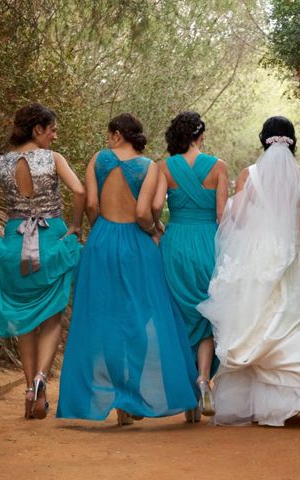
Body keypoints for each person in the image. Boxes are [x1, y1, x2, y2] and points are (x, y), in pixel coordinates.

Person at [197, 116, 300, 427]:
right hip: (296, 253)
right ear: (292, 141)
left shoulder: (250, 175)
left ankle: (257, 405)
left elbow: (237, 220)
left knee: (257, 321)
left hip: (259, 256)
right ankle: (297, 402)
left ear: (264, 140)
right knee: (296, 322)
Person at [56, 113, 198, 425]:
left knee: (105, 317)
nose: (108, 141)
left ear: (118, 134)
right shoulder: (149, 167)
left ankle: (119, 402)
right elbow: (143, 213)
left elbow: (91, 204)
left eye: (110, 135)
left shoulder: (99, 159)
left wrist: (101, 230)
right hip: (137, 246)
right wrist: (154, 230)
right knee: (141, 316)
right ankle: (133, 396)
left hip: (102, 240)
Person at [0, 103, 84, 420]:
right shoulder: (53, 160)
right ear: (37, 130)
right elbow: (80, 190)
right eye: (52, 130)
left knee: (24, 321)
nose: (55, 137)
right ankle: (44, 376)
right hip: (50, 242)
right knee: (53, 316)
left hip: (14, 244)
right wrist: (74, 226)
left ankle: (30, 388)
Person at [156, 111, 228, 422]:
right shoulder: (218, 166)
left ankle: (188, 393)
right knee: (206, 312)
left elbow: (153, 208)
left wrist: (158, 230)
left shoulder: (164, 167)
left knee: (179, 314)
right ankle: (203, 378)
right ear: (200, 135)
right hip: (208, 241)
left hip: (176, 242)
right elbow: (223, 216)